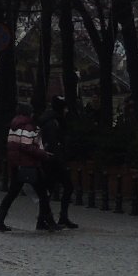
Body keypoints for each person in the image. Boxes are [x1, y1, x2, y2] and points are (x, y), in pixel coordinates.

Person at [0, 114, 58, 232]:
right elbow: (26, 145)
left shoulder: (14, 126)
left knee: (12, 194)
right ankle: (48, 222)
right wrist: (43, 155)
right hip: (29, 165)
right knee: (43, 194)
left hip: (16, 165)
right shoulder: (28, 127)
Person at [39, 94, 78, 228]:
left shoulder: (54, 120)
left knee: (51, 190)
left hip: (52, 160)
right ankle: (48, 219)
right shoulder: (53, 122)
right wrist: (61, 162)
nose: (67, 111)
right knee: (57, 189)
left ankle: (54, 218)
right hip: (53, 161)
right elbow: (55, 144)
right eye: (65, 108)